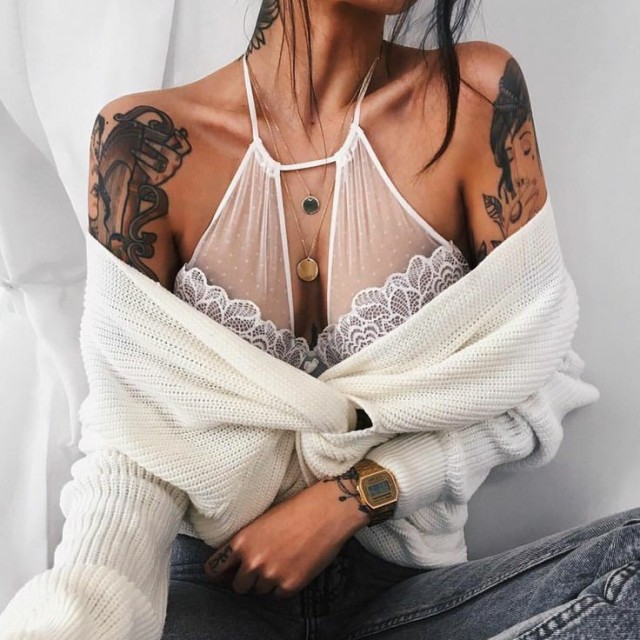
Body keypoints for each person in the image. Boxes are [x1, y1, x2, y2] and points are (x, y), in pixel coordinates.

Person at [7, 1, 635, 639]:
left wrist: (361, 495)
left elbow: (537, 376)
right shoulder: (143, 143)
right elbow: (132, 442)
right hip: (217, 592)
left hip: (410, 602)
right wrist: (80, 614)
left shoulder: (474, 99)